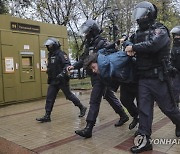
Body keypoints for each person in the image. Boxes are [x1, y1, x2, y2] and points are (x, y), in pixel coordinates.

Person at [125, 1, 180, 153]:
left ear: (149, 14)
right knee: (144, 110)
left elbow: (154, 45)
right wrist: (127, 45)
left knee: (168, 108)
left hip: (159, 78)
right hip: (143, 78)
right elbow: (128, 41)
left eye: (141, 13)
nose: (138, 16)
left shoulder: (160, 29)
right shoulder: (137, 33)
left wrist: (133, 47)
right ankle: (144, 140)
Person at [67, 19, 129, 138]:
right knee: (108, 96)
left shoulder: (102, 42)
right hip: (94, 75)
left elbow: (113, 55)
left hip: (101, 75)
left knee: (94, 100)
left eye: (87, 32)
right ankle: (123, 115)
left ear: (93, 31)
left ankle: (89, 128)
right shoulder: (88, 45)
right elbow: (84, 60)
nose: (85, 34)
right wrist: (73, 66)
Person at [83, 50, 139, 130]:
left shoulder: (115, 60)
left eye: (93, 67)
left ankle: (143, 130)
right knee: (125, 100)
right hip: (126, 82)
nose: (94, 71)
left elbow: (127, 54)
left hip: (137, 80)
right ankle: (136, 116)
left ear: (98, 62)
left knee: (142, 105)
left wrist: (130, 47)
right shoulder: (104, 69)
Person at [36, 37, 87, 123]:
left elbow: (67, 65)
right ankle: (47, 115)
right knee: (50, 97)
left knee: (69, 96)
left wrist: (62, 73)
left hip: (62, 80)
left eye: (50, 45)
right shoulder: (50, 55)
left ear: (55, 45)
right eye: (48, 46)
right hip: (53, 80)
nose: (49, 47)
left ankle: (82, 107)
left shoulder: (61, 54)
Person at [170, 26, 180, 107]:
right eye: (174, 35)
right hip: (176, 71)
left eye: (177, 35)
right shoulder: (174, 47)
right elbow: (172, 58)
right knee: (175, 89)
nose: (176, 37)